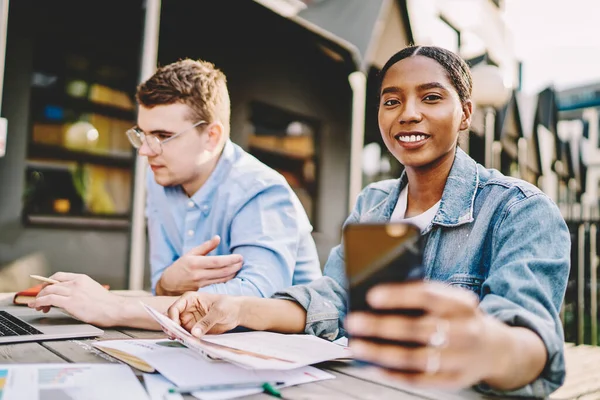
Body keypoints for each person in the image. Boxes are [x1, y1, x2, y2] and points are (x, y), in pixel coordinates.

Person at [165, 46, 570, 398]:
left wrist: (484, 345)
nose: (408, 114)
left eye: (430, 97)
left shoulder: (519, 210)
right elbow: (335, 302)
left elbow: (532, 346)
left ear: (465, 113)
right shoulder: (375, 204)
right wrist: (237, 308)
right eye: (391, 101)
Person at [28, 58, 322, 326]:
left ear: (212, 136)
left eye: (163, 136)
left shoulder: (261, 190)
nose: (145, 150)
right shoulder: (159, 179)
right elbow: (161, 286)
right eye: (142, 134)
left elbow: (256, 302)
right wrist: (169, 281)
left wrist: (113, 307)